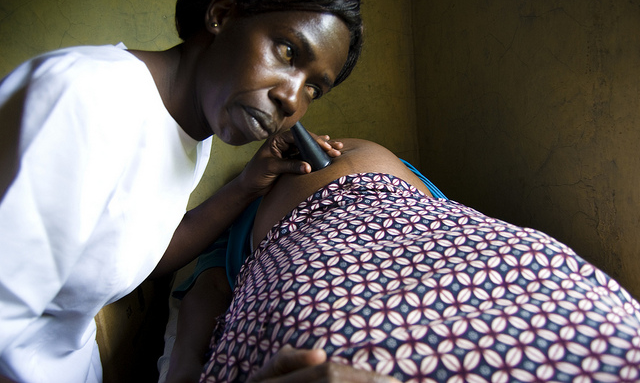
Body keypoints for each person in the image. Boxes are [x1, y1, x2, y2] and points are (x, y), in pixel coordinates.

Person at [0, 0, 363, 382]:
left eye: (313, 88)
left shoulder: (194, 133)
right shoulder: (83, 98)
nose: (292, 99)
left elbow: (141, 253)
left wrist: (248, 184)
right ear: (221, 16)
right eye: (287, 51)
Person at [166, 138, 640, 382]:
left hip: (425, 222)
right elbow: (205, 287)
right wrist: (184, 371)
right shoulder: (238, 215)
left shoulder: (428, 193)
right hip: (314, 257)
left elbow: (451, 223)